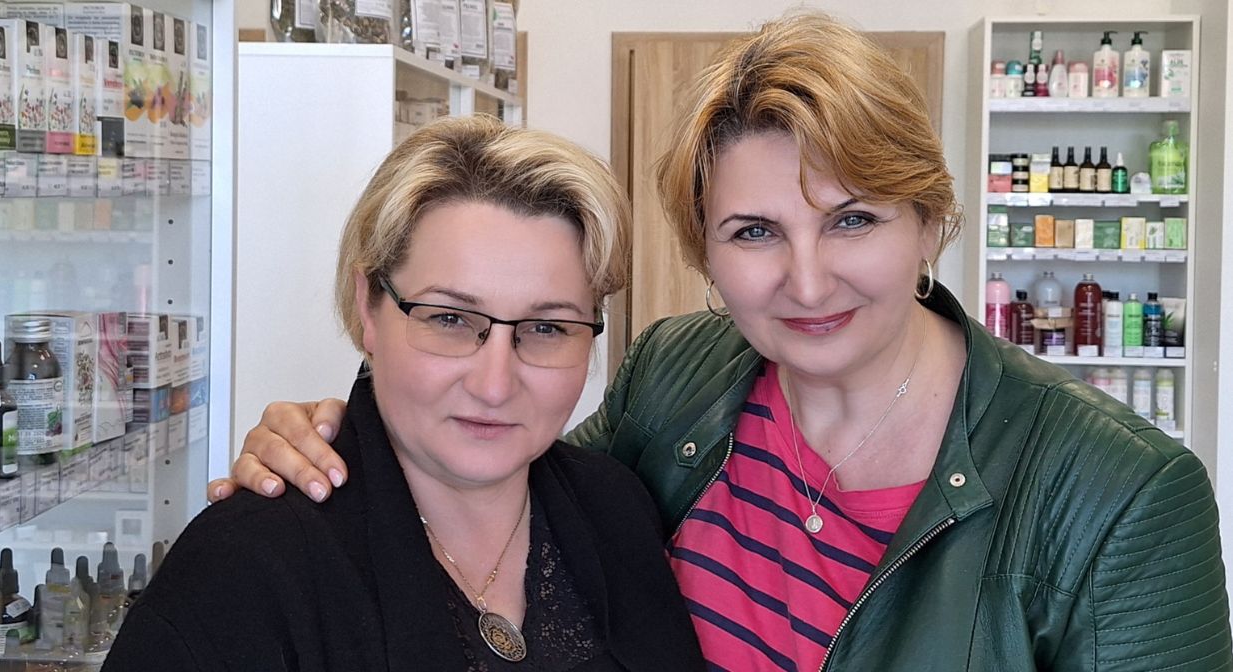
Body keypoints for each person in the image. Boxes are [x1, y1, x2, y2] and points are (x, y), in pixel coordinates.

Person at [210, 11, 1233, 672]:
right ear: (704, 248)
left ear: (931, 222)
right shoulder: (677, 380)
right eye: (754, 232)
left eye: (853, 219)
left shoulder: (1121, 495)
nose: (807, 280)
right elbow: (503, 472)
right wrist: (341, 437)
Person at [105, 115, 705, 671]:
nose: (494, 385)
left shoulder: (617, 511)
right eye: (449, 319)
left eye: (547, 328)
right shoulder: (242, 571)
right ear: (368, 307)